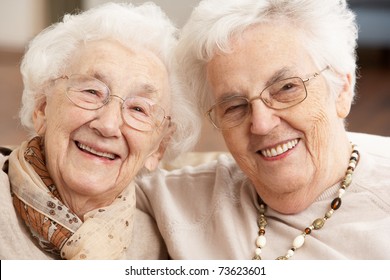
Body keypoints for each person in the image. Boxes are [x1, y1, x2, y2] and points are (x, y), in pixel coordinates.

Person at [135, 0, 390, 259]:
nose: (262, 124)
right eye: (234, 106)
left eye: (286, 88)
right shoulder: (180, 201)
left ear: (342, 89)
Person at [0, 2, 199, 260]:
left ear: (158, 148)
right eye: (91, 92)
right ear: (42, 107)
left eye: (139, 109)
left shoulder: (168, 246)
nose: (108, 125)